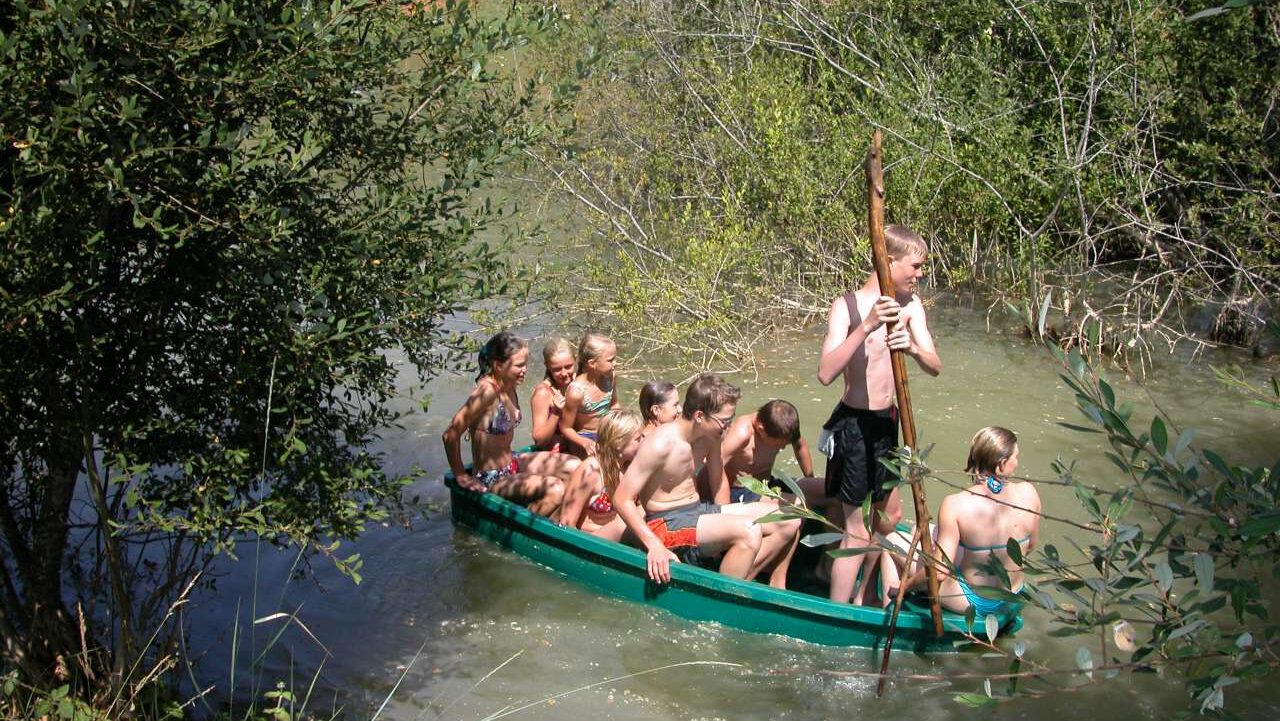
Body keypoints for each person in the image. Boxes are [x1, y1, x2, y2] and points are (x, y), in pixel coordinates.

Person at [816, 224, 942, 604]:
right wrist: (867, 325)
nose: (920, 274)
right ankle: (838, 611)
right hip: (854, 425)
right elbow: (825, 373)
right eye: (915, 266)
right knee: (854, 528)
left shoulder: (911, 306)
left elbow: (935, 365)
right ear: (889, 261)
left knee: (888, 518)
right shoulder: (848, 306)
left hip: (889, 422)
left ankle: (865, 598)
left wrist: (914, 350)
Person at [613, 374, 801, 588]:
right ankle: (722, 595)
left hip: (698, 510)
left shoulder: (712, 436)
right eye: (724, 420)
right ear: (700, 416)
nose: (729, 426)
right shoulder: (660, 444)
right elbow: (622, 499)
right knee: (749, 530)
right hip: (666, 523)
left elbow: (718, 480)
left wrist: (724, 523)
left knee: (789, 520)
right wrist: (654, 546)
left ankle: (738, 576)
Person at [442, 332, 580, 518]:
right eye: (519, 365)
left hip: (512, 462)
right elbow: (450, 434)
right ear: (498, 365)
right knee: (555, 489)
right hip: (492, 477)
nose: (525, 370)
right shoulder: (487, 391)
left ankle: (564, 518)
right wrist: (460, 474)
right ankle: (534, 527)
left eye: (525, 364)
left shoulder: (509, 384)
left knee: (574, 465)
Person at [911, 426, 1039, 615]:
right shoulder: (1030, 492)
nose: (1018, 463)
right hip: (1013, 595)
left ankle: (890, 605)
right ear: (1002, 464)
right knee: (922, 531)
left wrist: (904, 587)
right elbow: (1030, 547)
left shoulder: (955, 504)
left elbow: (938, 572)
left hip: (976, 601)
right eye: (1016, 458)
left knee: (891, 544)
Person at [558, 408, 644, 541]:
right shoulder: (591, 470)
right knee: (636, 516)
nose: (643, 443)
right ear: (618, 443)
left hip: (621, 538)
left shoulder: (632, 468)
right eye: (638, 439)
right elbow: (566, 523)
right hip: (592, 541)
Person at [559, 333, 621, 458]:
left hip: (605, 431)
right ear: (592, 363)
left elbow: (614, 405)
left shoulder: (610, 377)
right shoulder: (576, 392)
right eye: (610, 360)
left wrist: (623, 425)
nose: (615, 363)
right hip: (584, 437)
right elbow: (566, 428)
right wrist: (584, 443)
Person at [530, 338, 576, 452]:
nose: (564, 373)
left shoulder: (579, 383)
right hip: (555, 454)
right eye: (557, 369)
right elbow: (539, 441)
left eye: (568, 366)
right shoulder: (543, 393)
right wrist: (556, 412)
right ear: (547, 366)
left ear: (576, 359)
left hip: (577, 446)